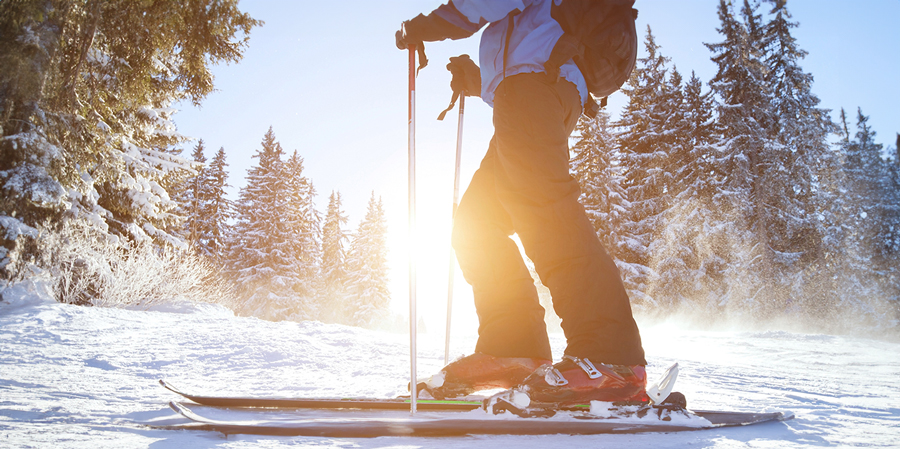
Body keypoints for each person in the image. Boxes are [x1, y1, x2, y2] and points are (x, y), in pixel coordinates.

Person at [396, 0, 647, 406]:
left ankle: (611, 356)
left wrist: (426, 26)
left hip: (537, 89)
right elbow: (532, 32)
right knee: (475, 225)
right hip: (530, 91)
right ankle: (512, 347)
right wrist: (481, 81)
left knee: (542, 209)